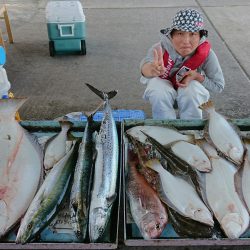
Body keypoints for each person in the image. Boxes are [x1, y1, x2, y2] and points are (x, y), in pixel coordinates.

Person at [140, 8, 225, 119]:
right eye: (180, 33)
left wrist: (197, 77)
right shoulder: (161, 48)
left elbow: (218, 86)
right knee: (157, 84)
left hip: (190, 96)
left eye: (193, 34)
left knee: (192, 87)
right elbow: (145, 66)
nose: (186, 41)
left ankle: (191, 127)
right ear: (171, 35)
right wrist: (151, 69)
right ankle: (165, 127)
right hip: (163, 95)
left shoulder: (207, 54)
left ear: (200, 36)